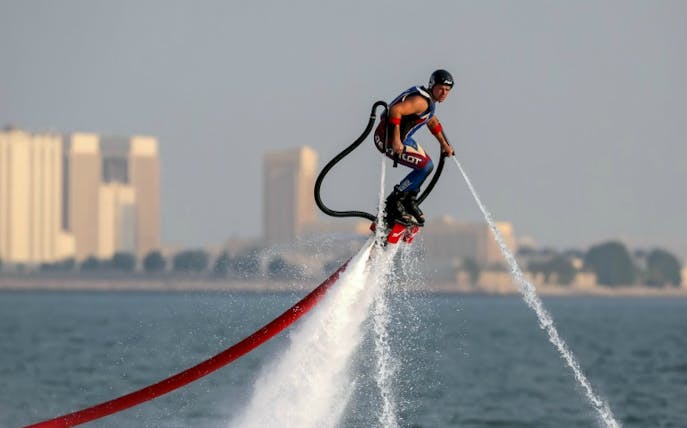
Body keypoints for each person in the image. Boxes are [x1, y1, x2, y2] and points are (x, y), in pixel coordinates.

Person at [373, 69, 455, 226]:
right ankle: (393, 201)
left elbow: (431, 121)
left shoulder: (428, 102)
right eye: (441, 89)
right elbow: (395, 111)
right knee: (425, 166)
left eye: (447, 90)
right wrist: (396, 140)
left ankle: (409, 200)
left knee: (427, 165)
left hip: (403, 139)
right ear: (432, 85)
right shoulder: (421, 102)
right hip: (387, 141)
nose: (444, 93)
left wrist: (444, 144)